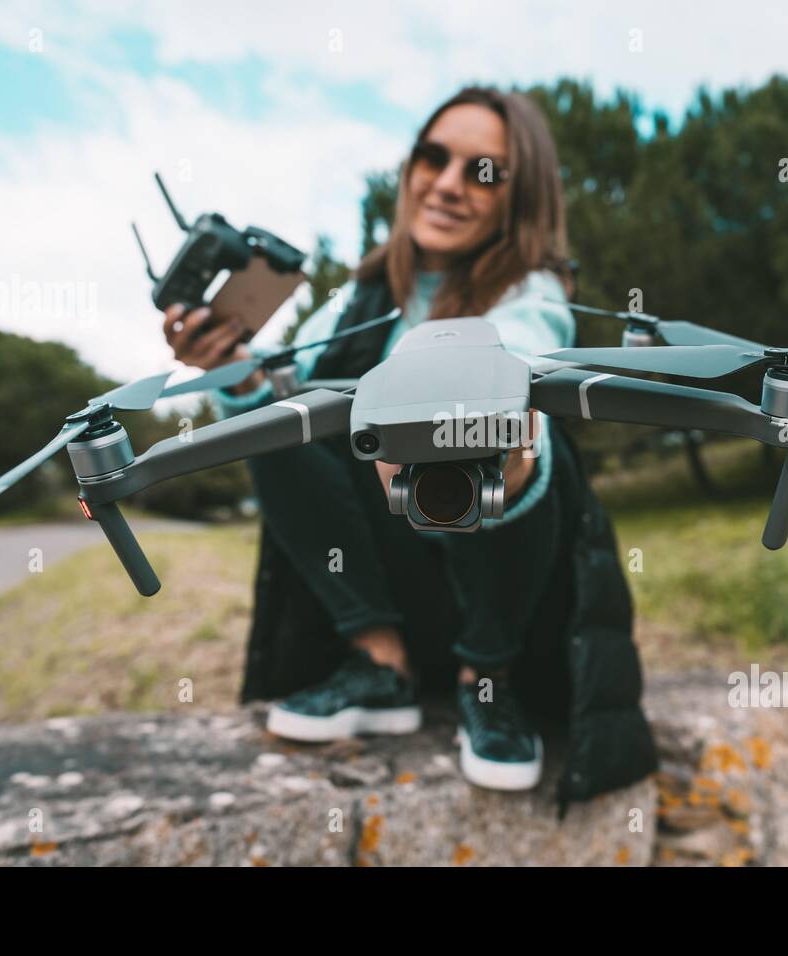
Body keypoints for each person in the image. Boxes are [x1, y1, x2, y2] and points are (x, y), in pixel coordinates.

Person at [162, 86, 655, 809]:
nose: (450, 184)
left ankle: (488, 681)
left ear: (522, 198)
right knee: (278, 415)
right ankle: (378, 663)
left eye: (484, 171)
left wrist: (474, 417)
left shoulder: (534, 291)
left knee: (516, 437)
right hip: (397, 582)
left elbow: (521, 352)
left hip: (501, 591)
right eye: (433, 157)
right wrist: (232, 373)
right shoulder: (362, 291)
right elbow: (294, 401)